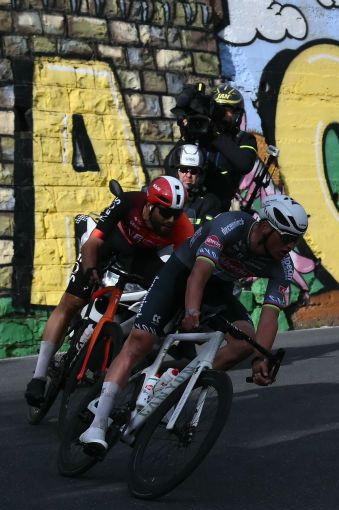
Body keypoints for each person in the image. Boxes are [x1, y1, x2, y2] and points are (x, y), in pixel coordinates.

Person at [77, 195, 309, 455]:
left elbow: (270, 315)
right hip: (182, 273)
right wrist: (191, 311)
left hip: (217, 289)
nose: (290, 246)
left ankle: (174, 383)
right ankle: (97, 425)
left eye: (296, 240)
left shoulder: (282, 266)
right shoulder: (231, 225)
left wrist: (260, 358)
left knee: (244, 341)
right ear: (266, 228)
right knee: (140, 342)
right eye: (287, 238)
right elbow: (199, 273)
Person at [25, 177, 194, 407]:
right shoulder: (128, 202)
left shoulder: (182, 227)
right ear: (150, 205)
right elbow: (93, 243)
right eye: (165, 213)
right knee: (72, 301)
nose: (171, 220)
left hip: (142, 257)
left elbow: (183, 271)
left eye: (177, 214)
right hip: (111, 244)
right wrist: (90, 269)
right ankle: (39, 375)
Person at [171, 83, 259, 215]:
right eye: (218, 107)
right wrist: (186, 136)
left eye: (226, 109)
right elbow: (170, 166)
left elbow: (245, 164)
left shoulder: (244, 138)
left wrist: (214, 136)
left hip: (218, 210)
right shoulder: (201, 133)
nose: (220, 113)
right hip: (187, 206)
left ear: (237, 114)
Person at [164, 142, 221, 225]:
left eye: (194, 171)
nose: (188, 175)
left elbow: (209, 229)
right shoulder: (164, 195)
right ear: (176, 172)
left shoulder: (209, 202)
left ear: (200, 174)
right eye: (183, 169)